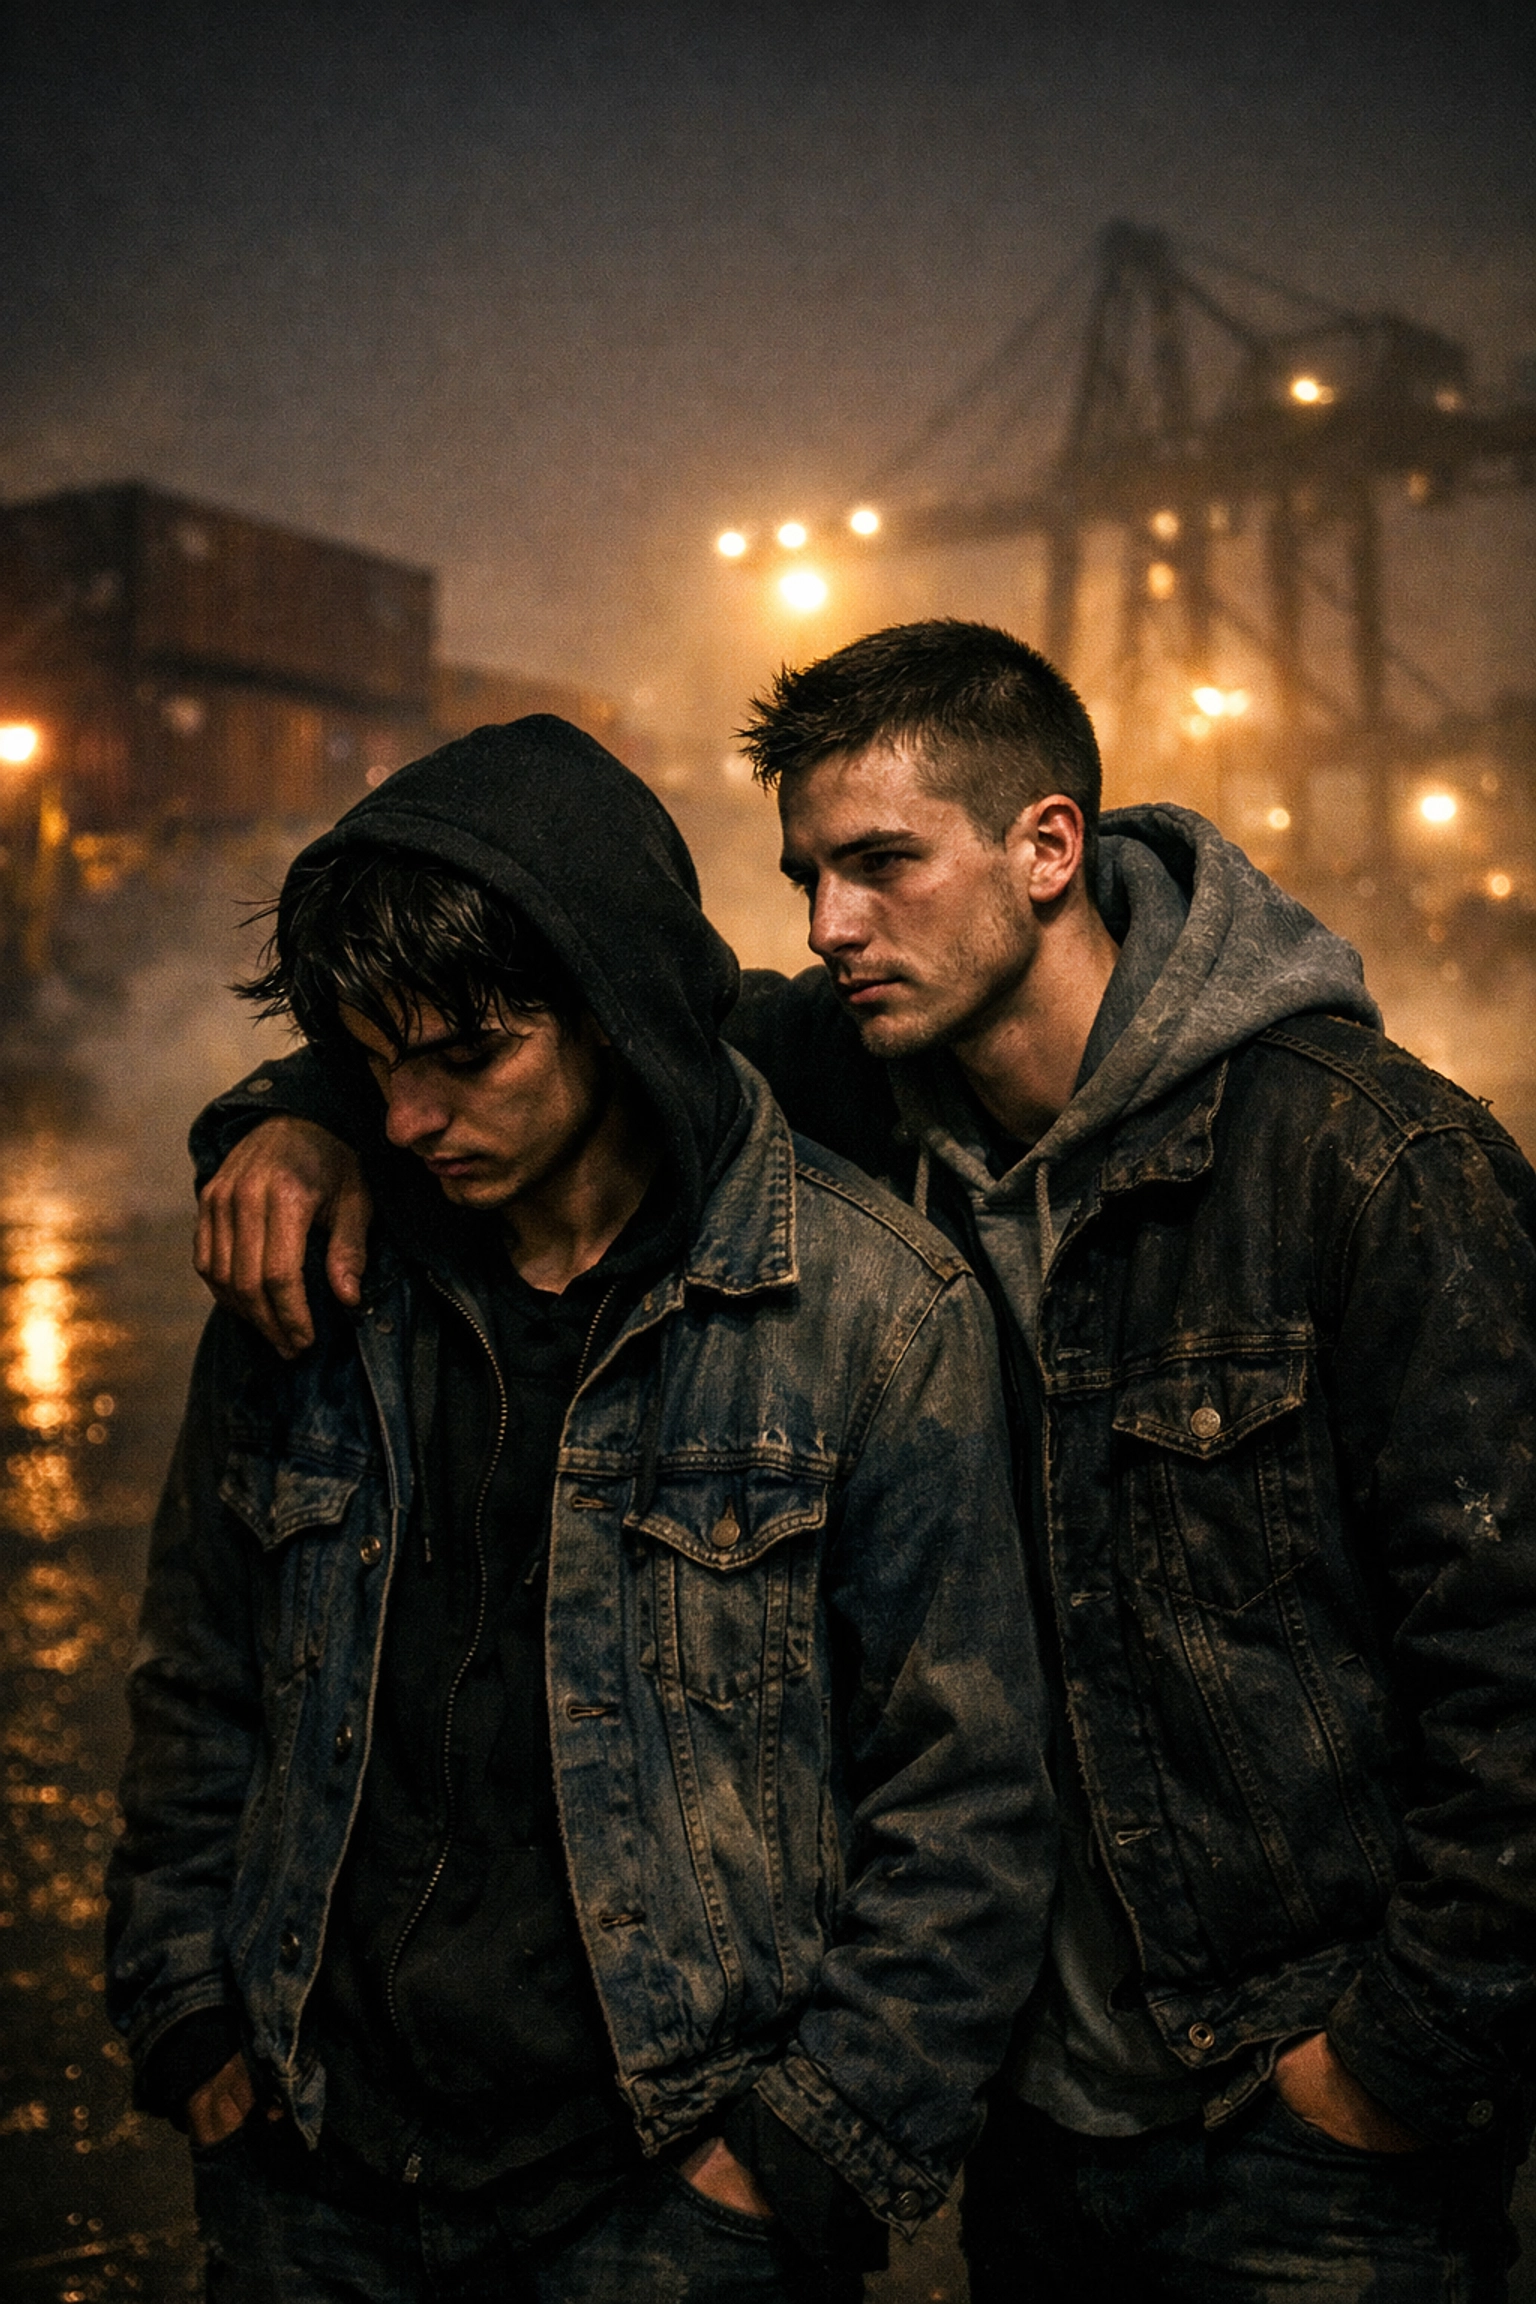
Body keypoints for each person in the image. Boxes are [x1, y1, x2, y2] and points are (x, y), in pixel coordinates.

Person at [189, 624, 1536, 2299]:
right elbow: (547, 1005)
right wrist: (299, 1115)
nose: (829, 926)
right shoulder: (863, 1078)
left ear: (1049, 847)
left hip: (1298, 2124)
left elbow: (1511, 1661)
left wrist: (1398, 2062)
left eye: (882, 865)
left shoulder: (1365, 1163)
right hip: (1037, 2113)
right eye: (807, 876)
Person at [106, 713, 1056, 2304]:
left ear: (613, 1010)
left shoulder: (867, 1313)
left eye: (466, 1058)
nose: (408, 1119)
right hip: (311, 2174)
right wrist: (190, 2017)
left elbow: (969, 1796)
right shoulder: (320, 1281)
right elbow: (201, 1679)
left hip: (667, 2202)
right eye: (373, 1064)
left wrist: (802, 2151)